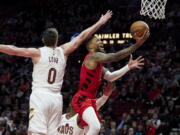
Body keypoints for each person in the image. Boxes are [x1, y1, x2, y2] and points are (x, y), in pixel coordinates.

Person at [0, 10, 113, 135]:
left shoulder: (37, 53)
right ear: (57, 40)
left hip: (40, 96)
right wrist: (100, 22)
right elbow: (82, 36)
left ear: (43, 40)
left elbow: (14, 50)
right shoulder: (63, 51)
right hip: (56, 99)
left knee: (35, 132)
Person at [71, 30, 150, 135]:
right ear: (90, 47)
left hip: (90, 100)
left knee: (86, 131)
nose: (100, 42)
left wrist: (128, 67)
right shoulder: (93, 56)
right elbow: (114, 56)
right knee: (95, 127)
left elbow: (110, 77)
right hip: (83, 99)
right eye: (97, 41)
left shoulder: (96, 64)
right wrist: (137, 44)